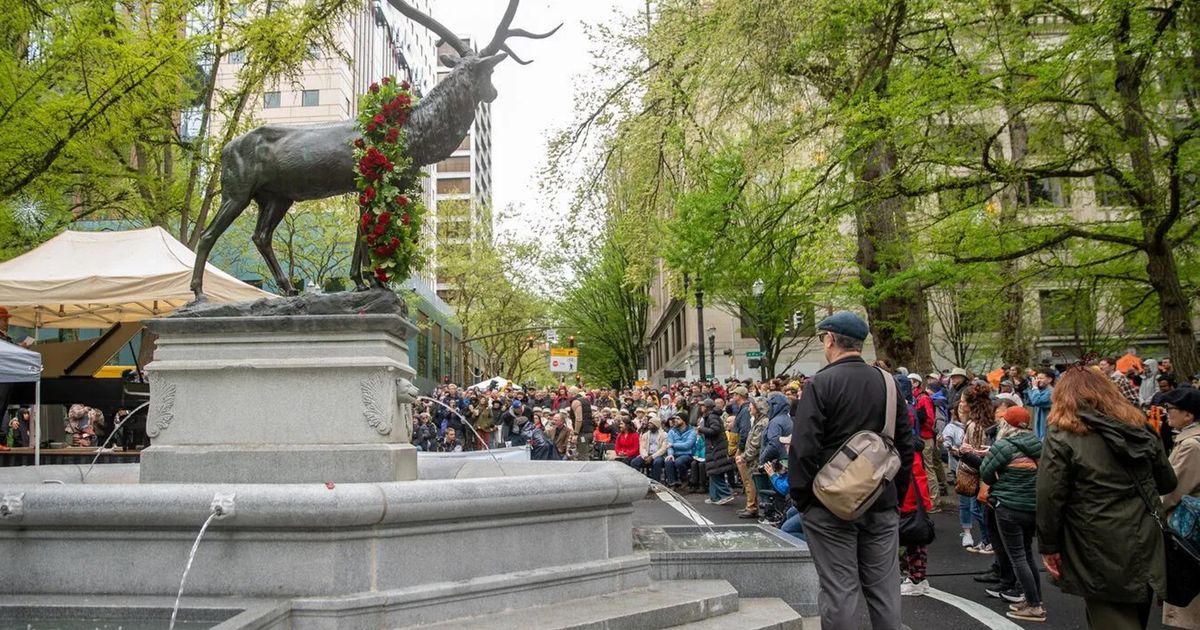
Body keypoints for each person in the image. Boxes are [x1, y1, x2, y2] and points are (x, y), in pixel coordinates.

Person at [789, 311, 915, 630]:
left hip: (829, 502)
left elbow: (804, 448)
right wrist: (894, 494)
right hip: (881, 498)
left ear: (830, 339)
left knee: (839, 591)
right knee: (885, 592)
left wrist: (804, 499)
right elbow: (905, 444)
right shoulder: (888, 383)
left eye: (822, 338)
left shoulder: (820, 383)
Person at [1037, 366, 1176, 630]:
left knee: (1111, 615)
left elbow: (1049, 496)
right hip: (1147, 535)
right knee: (1135, 612)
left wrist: (1049, 545)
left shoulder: (1063, 434)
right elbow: (1167, 481)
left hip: (1096, 540)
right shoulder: (1139, 426)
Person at [981, 405, 1045, 622]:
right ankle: (1033, 598)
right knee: (1027, 554)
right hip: (1033, 506)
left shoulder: (1004, 446)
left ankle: (1034, 605)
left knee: (1017, 556)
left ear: (1006, 424)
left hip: (1008, 506)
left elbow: (986, 473)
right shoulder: (1039, 445)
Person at [1160, 388, 1200, 629]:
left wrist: (1153, 510)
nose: (1167, 414)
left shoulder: (1191, 446)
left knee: (1187, 601)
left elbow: (1173, 490)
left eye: (1171, 410)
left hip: (1188, 527)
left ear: (1189, 415)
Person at [900, 437, 933, 597]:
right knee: (916, 543)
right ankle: (919, 578)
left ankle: (915, 580)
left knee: (911, 543)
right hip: (917, 501)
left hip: (908, 501)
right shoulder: (914, 450)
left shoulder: (904, 451)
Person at [910, 373, 944, 510]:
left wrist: (921, 430)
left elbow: (929, 419)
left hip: (926, 437)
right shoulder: (918, 398)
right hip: (924, 437)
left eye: (911, 382)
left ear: (916, 384)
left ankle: (934, 501)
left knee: (929, 469)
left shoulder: (923, 399)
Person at [736, 396, 771, 519]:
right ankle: (751, 507)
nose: (750, 407)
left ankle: (754, 508)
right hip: (752, 460)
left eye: (752, 405)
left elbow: (755, 445)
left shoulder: (762, 423)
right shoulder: (758, 421)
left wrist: (744, 456)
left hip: (755, 461)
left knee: (753, 484)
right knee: (750, 483)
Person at [697, 398, 735, 505]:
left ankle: (726, 494)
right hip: (713, 448)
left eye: (702, 405)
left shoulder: (712, 416)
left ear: (707, 407)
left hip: (716, 448)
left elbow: (715, 430)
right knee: (713, 473)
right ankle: (715, 496)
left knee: (715, 472)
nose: (701, 407)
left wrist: (701, 429)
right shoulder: (709, 416)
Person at [631, 415, 668, 481]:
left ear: (656, 425)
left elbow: (663, 449)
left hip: (658, 456)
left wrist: (652, 457)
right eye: (649, 423)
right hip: (647, 455)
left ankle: (656, 482)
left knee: (657, 462)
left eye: (651, 423)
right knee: (634, 462)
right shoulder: (645, 435)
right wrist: (645, 456)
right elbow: (642, 447)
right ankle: (638, 480)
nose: (649, 424)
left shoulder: (664, 435)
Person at [665, 415, 696, 488]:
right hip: (675, 454)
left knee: (679, 461)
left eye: (678, 419)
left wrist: (673, 445)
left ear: (684, 421)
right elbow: (669, 445)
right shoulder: (672, 431)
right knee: (668, 461)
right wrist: (670, 454)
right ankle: (672, 483)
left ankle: (684, 479)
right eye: (675, 418)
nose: (675, 420)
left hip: (687, 455)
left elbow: (687, 445)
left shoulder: (692, 432)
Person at [1026, 369, 1054, 440]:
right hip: (1039, 430)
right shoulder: (1041, 391)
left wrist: (1035, 388)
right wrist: (1031, 388)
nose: (1038, 380)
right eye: (1037, 378)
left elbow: (1036, 401)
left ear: (1050, 379)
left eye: (1041, 378)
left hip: (1047, 430)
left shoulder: (1051, 392)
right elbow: (1030, 402)